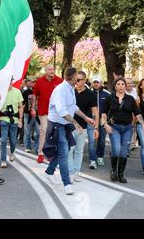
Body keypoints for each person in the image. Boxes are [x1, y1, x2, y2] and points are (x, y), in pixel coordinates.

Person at [43, 67, 95, 195]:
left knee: (62, 152)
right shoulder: (61, 89)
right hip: (56, 124)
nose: (78, 78)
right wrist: (76, 123)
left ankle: (49, 172)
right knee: (64, 152)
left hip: (65, 124)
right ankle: (67, 183)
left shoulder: (71, 89)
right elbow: (62, 111)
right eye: (77, 75)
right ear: (72, 77)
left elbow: (73, 107)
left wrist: (86, 117)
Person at [101, 77, 144, 183]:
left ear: (125, 86)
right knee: (117, 149)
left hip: (127, 128)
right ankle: (113, 170)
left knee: (123, 152)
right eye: (118, 84)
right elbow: (103, 113)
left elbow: (138, 114)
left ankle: (120, 174)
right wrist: (105, 125)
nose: (121, 86)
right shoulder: (110, 98)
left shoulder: (130, 99)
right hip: (114, 127)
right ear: (115, 86)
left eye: (123, 84)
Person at [69, 71, 98, 182]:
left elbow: (95, 112)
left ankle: (76, 172)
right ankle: (70, 172)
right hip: (70, 125)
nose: (77, 81)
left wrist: (95, 128)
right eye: (76, 79)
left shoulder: (91, 94)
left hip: (83, 127)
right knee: (69, 150)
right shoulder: (70, 91)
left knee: (79, 150)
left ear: (85, 80)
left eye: (80, 79)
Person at [32, 65, 63, 163]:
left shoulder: (60, 81)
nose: (52, 71)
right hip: (43, 111)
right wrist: (33, 108)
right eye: (49, 69)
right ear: (45, 71)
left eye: (53, 69)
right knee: (44, 131)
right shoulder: (40, 81)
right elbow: (34, 95)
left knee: (54, 133)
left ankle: (51, 153)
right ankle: (40, 153)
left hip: (56, 112)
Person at [0, 78, 23, 166]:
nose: (9, 83)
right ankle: (3, 160)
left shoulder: (17, 92)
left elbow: (20, 106)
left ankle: (12, 152)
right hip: (3, 119)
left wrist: (20, 119)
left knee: (13, 140)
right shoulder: (1, 92)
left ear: (12, 81)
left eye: (10, 81)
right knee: (4, 140)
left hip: (14, 119)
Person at [91, 75, 111, 167]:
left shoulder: (107, 94)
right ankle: (93, 158)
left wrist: (108, 119)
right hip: (92, 119)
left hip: (103, 119)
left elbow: (111, 108)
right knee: (93, 140)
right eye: (94, 82)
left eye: (97, 82)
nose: (96, 84)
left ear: (101, 83)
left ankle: (100, 157)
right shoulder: (89, 93)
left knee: (102, 140)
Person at [22, 78, 40, 153]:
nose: (33, 84)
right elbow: (22, 103)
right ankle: (27, 147)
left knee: (39, 132)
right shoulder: (26, 92)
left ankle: (37, 148)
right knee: (28, 132)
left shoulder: (40, 92)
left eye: (35, 82)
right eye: (32, 82)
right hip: (27, 114)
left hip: (38, 115)